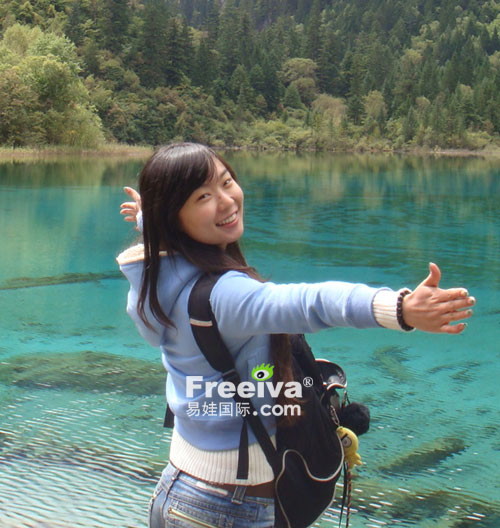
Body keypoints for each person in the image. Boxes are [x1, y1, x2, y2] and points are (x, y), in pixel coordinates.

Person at [117, 142, 475, 528]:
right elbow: (311, 303)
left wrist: (147, 220)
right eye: (204, 197)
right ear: (172, 219)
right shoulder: (225, 296)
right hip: (228, 508)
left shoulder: (155, 281)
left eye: (227, 182)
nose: (227, 200)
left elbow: (169, 233)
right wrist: (400, 309)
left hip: (177, 490)